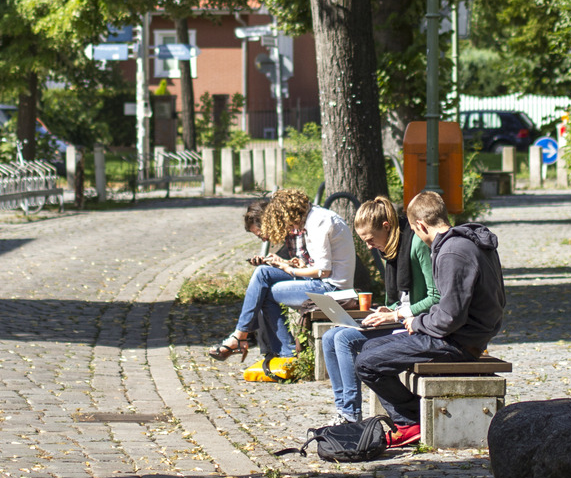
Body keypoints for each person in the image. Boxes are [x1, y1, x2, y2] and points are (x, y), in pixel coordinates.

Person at [355, 190, 505, 447]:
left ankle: (410, 421)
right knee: (369, 348)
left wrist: (417, 322)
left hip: (459, 341)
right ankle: (413, 416)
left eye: (415, 231)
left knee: (366, 363)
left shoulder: (451, 253)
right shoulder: (463, 243)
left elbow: (449, 318)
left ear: (420, 225)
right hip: (463, 334)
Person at [322, 195, 440, 424]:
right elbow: (402, 300)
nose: (368, 246)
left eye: (369, 239)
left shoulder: (416, 244)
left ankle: (351, 414)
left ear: (386, 227)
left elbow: (435, 298)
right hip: (399, 318)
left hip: (416, 325)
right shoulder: (391, 249)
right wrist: (385, 310)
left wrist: (395, 314)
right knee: (329, 337)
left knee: (344, 339)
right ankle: (342, 408)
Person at [207, 187, 355, 362]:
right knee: (263, 275)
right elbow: (315, 265)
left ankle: (276, 349)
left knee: (265, 290)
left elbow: (324, 270)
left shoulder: (318, 222)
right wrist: (285, 263)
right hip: (323, 282)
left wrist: (289, 269)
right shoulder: (314, 219)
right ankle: (250, 340)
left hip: (332, 288)